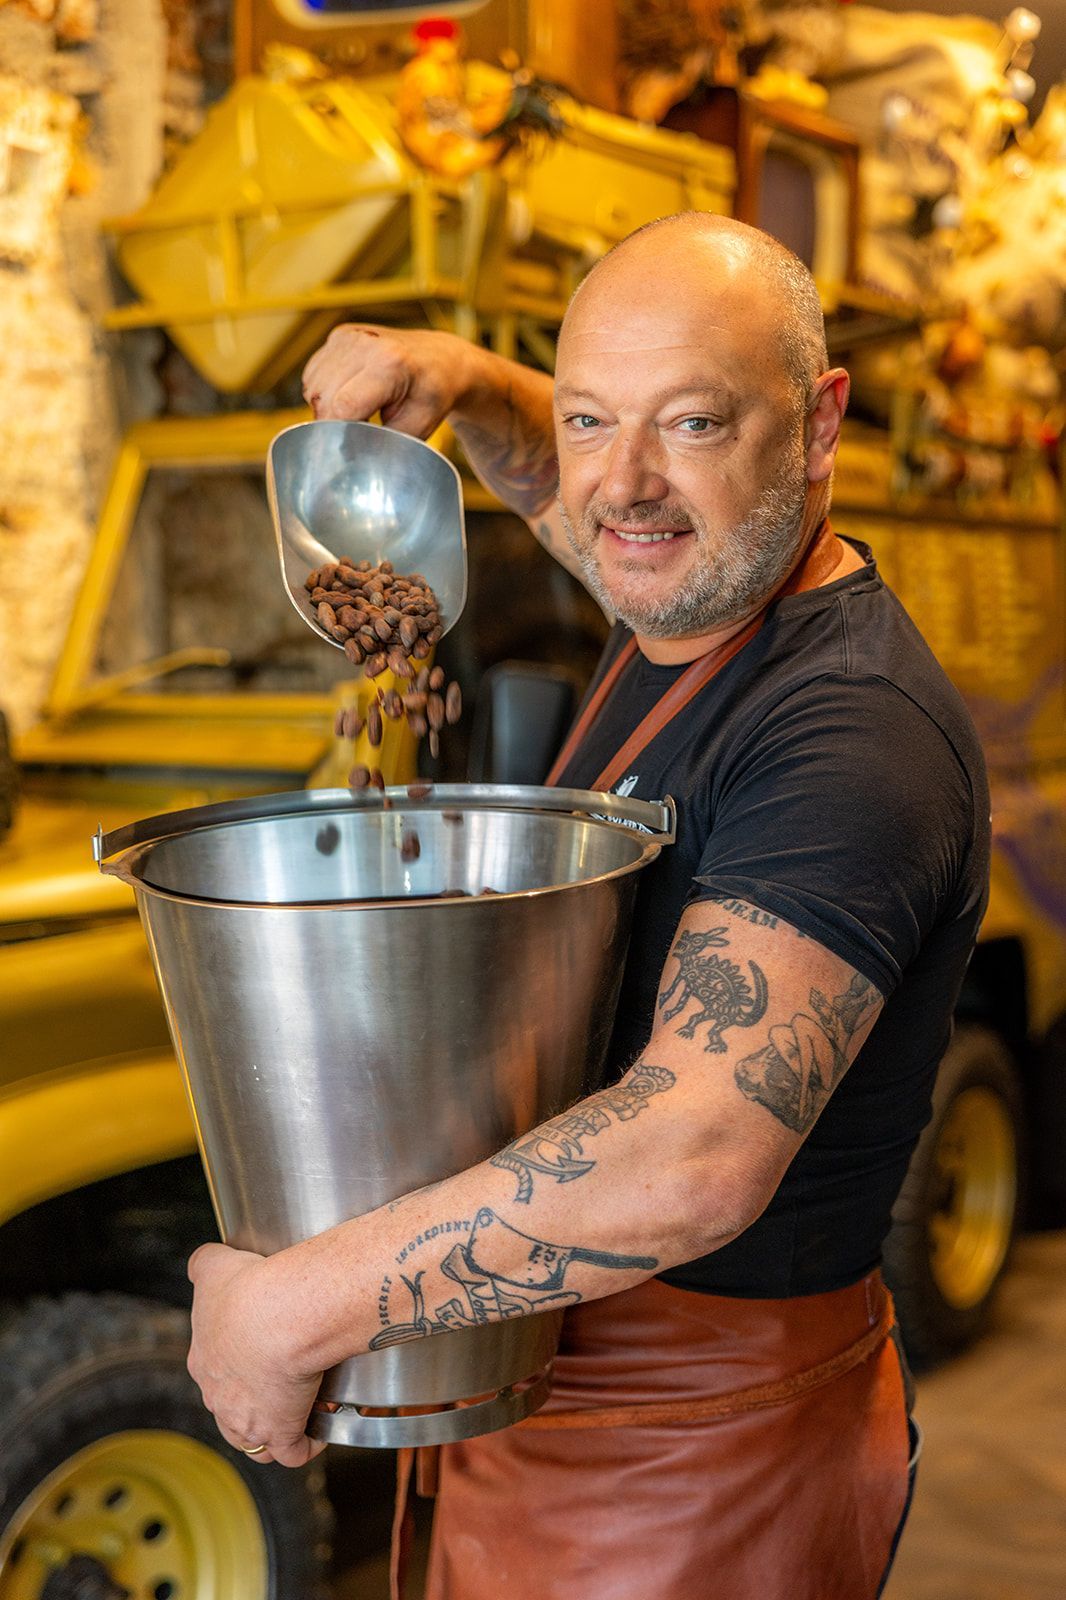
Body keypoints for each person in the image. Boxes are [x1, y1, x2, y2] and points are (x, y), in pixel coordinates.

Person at [187, 212, 989, 1599]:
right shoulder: (685, 603)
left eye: (689, 421)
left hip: (697, 1458)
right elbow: (603, 516)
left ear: (814, 426)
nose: (623, 485)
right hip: (542, 1387)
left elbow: (690, 1156)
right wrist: (478, 385)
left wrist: (291, 1307)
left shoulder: (846, 735)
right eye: (586, 418)